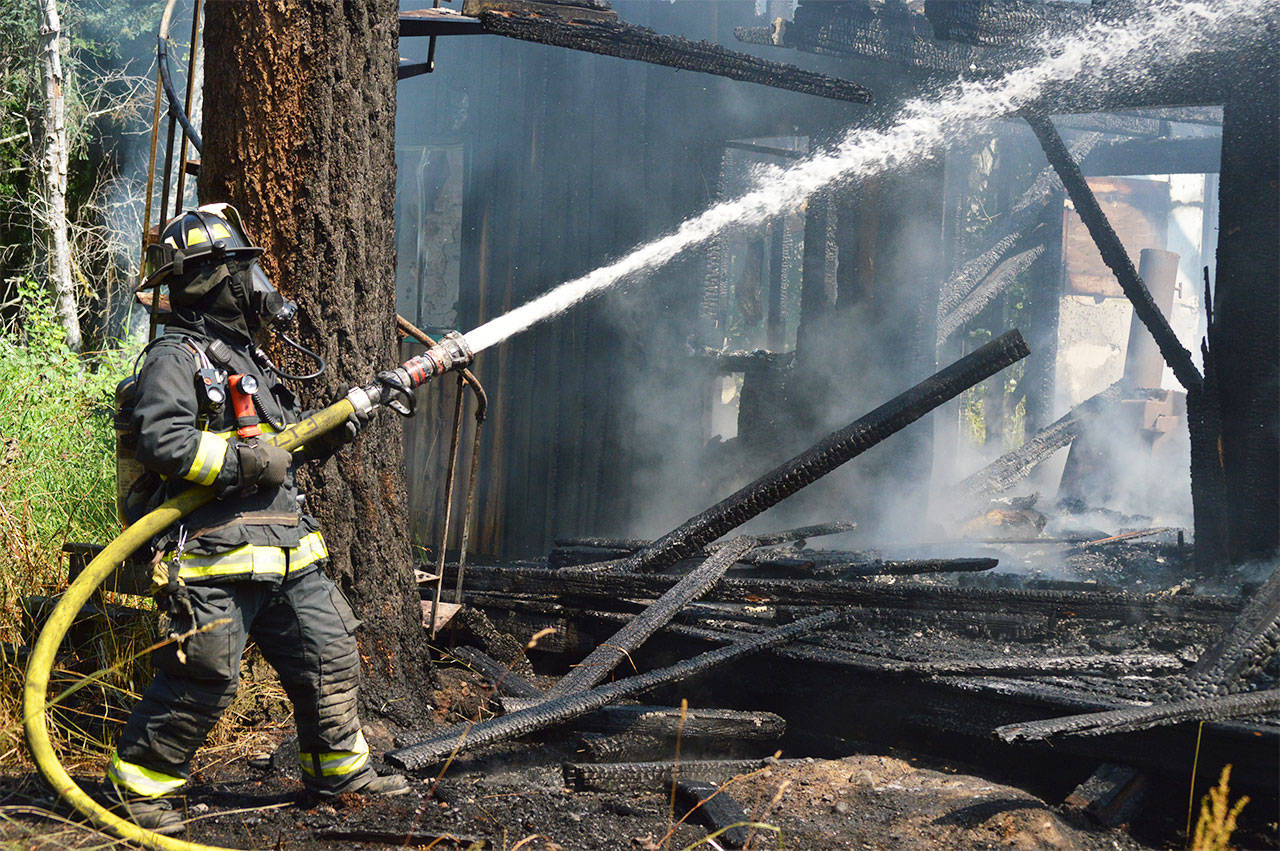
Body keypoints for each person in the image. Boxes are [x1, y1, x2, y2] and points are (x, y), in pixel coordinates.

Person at [103, 204, 409, 835]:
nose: (255, 282)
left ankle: (338, 772)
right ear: (210, 278)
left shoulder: (248, 361)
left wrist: (328, 433)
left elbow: (280, 447)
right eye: (242, 268)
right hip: (214, 558)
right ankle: (137, 794)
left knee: (328, 655)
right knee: (204, 676)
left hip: (287, 553)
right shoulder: (175, 357)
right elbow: (163, 441)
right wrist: (243, 462)